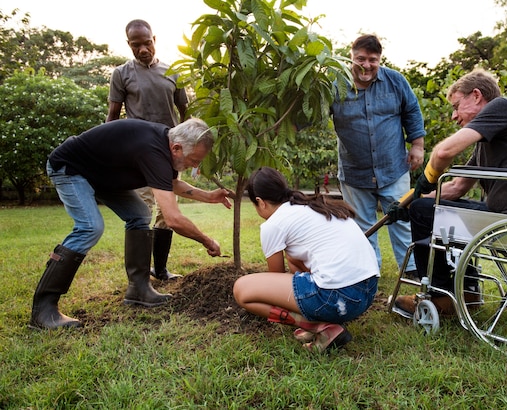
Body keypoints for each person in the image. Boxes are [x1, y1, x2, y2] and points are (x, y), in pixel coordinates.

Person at [29, 118, 232, 330]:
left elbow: (172, 184)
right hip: (71, 168)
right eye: (194, 159)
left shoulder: (166, 147)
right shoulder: (153, 150)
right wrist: (207, 241)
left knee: (139, 215)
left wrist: (208, 196)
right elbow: (173, 219)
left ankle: (139, 289)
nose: (196, 166)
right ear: (177, 148)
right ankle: (44, 308)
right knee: (90, 227)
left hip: (103, 176)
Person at [392, 68, 507, 315]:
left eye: (457, 106)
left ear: (476, 96)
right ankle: (465, 292)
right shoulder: (490, 138)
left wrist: (427, 179)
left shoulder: (501, 107)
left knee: (425, 212)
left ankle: (442, 296)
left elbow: (442, 153)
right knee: (423, 208)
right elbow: (457, 187)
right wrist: (411, 201)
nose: (454, 117)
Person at [233, 167, 380, 352]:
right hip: (366, 293)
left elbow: (275, 278)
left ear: (260, 202)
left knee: (241, 289)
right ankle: (321, 319)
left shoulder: (273, 225)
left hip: (337, 298)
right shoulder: (311, 206)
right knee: (293, 257)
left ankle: (318, 327)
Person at [330, 34, 426, 275]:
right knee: (363, 226)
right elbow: (310, 114)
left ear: (380, 59)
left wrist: (418, 145)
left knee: (402, 221)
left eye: (373, 60)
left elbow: (412, 111)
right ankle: (370, 273)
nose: (366, 65)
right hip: (355, 172)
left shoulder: (395, 81)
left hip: (393, 168)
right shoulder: (336, 85)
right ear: (351, 57)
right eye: (360, 59)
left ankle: (412, 271)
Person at [106, 19, 189, 281]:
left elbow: (184, 114)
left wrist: (187, 153)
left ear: (155, 39)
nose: (143, 49)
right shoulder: (122, 74)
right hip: (138, 154)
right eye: (136, 44)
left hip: (169, 153)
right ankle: (139, 277)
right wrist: (111, 154)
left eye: (147, 42)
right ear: (129, 44)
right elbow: (112, 117)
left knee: (167, 213)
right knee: (142, 210)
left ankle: (161, 270)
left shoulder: (173, 71)